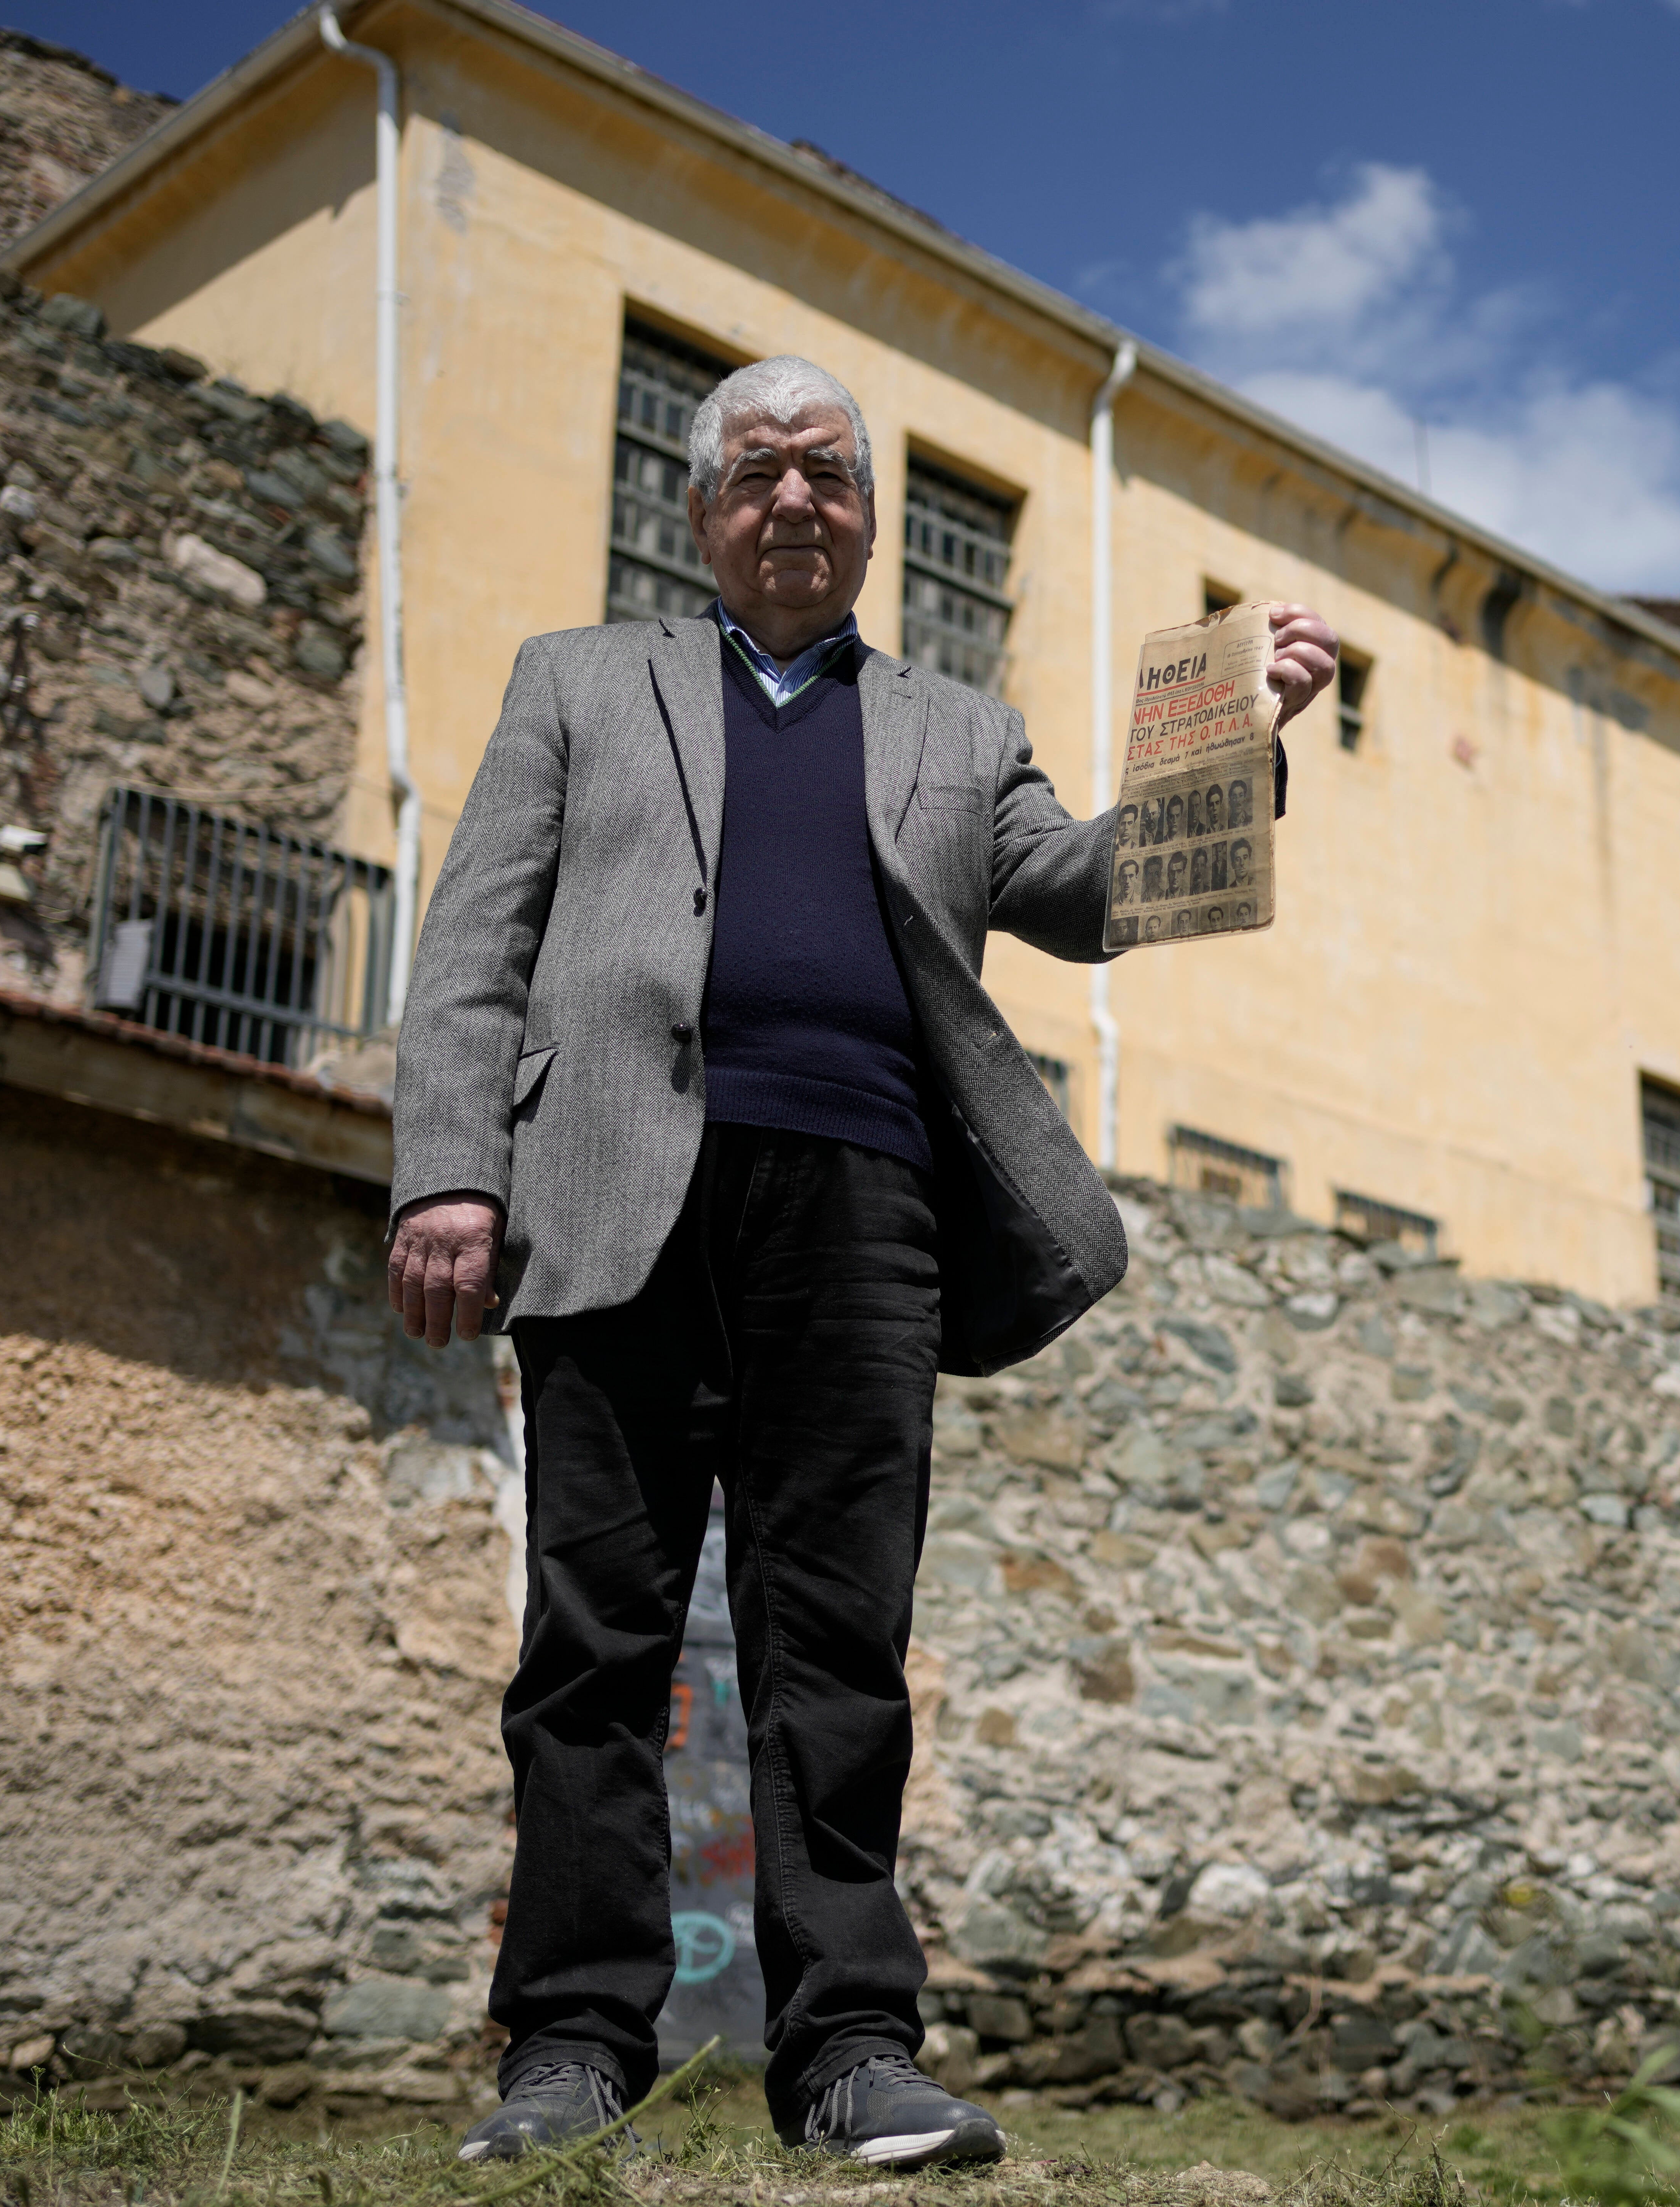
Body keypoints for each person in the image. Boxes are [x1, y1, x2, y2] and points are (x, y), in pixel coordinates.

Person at [384, 356, 1335, 2167]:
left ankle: (848, 2056)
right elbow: (474, 941)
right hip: (609, 1193)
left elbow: (1087, 895)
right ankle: (573, 2048)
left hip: (866, 1215)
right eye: (759, 471)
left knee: (839, 1648)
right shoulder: (578, 684)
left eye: (829, 471)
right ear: (700, 510)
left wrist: (1245, 736)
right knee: (594, 1646)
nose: (796, 500)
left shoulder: (960, 730)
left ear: (873, 518)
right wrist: (451, 1172)